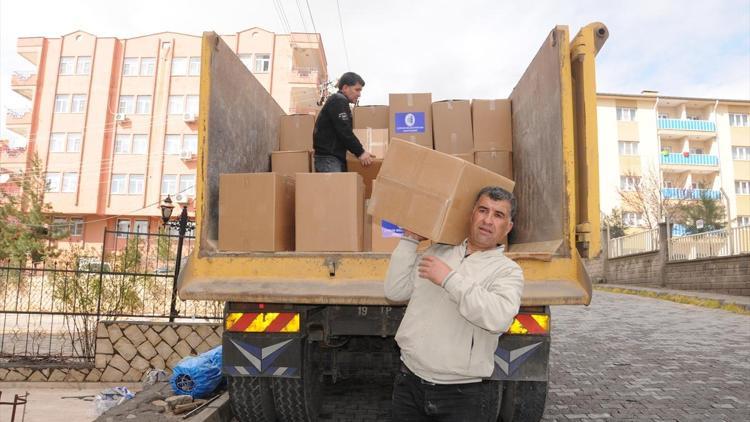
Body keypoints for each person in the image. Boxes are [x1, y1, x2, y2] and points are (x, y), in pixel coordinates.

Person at [384, 186, 524, 421]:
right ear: (471, 215)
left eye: (498, 215)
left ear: (508, 227)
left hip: (462, 394)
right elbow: (395, 291)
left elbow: (498, 318)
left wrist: (449, 279)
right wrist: (409, 241)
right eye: (483, 210)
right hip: (409, 382)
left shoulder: (508, 272)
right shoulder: (438, 251)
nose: (488, 220)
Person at [312, 72, 374, 172]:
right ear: (345, 88)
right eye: (357, 90)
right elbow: (344, 131)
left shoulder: (340, 102)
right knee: (336, 187)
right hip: (329, 160)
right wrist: (360, 152)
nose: (359, 94)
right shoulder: (338, 100)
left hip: (333, 159)